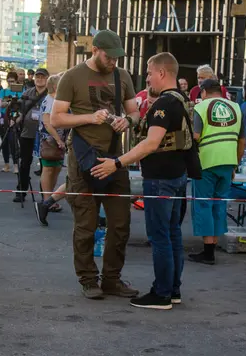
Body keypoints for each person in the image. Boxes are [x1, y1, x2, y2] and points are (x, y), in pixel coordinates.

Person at [91, 52, 192, 310]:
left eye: (148, 73)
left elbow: (151, 143)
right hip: (177, 175)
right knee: (172, 235)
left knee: (160, 238)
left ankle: (161, 294)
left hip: (161, 178)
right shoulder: (182, 100)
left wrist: (116, 163)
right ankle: (173, 290)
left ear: (161, 73)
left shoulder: (163, 104)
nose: (147, 79)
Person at [51, 29, 140, 299]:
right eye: (108, 56)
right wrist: (90, 118)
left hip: (115, 158)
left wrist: (130, 121)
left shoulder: (122, 75)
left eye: (117, 57)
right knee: (86, 225)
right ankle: (89, 280)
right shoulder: (72, 76)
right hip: (83, 158)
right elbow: (56, 118)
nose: (113, 61)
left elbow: (134, 110)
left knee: (120, 224)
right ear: (95, 50)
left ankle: (112, 279)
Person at [190, 79, 245, 265]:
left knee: (204, 204)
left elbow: (195, 136)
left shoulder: (201, 107)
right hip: (228, 161)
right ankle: (212, 246)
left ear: (204, 92)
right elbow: (242, 140)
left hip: (206, 162)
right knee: (219, 203)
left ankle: (207, 252)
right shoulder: (236, 108)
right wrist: (235, 165)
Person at [33, 73, 67, 225]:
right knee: (48, 169)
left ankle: (51, 198)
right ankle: (47, 199)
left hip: (59, 140)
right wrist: (58, 139)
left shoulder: (59, 100)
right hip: (49, 140)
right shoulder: (50, 100)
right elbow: (47, 123)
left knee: (56, 168)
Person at [13, 68, 49, 203]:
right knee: (25, 163)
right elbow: (20, 110)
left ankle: (46, 197)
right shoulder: (27, 93)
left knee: (46, 167)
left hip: (45, 135)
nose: (40, 79)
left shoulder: (51, 94)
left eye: (43, 77)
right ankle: (21, 191)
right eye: (38, 77)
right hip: (27, 133)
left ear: (47, 79)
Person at [0, 71, 21, 173]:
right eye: (9, 81)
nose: (10, 83)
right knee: (4, 142)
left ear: (16, 81)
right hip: (4, 118)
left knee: (13, 142)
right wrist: (8, 102)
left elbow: (22, 104)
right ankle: (6, 164)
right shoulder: (3, 91)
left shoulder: (20, 90)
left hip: (16, 118)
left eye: (13, 81)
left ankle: (16, 165)